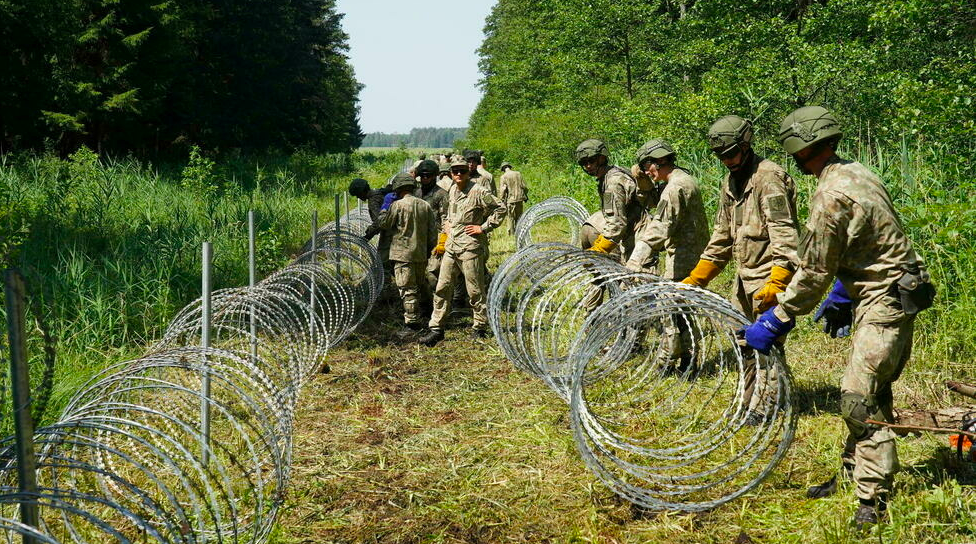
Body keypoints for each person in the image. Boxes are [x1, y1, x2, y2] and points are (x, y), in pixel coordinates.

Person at [741, 106, 935, 528]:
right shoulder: (857, 172)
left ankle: (873, 499)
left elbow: (814, 270)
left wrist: (778, 318)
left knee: (857, 396)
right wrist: (846, 292)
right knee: (872, 388)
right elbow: (877, 237)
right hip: (892, 288)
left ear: (798, 148)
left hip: (885, 298)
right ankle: (855, 471)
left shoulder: (830, 195)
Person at [680, 116, 800, 422]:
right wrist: (698, 277)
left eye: (731, 154)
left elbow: (785, 237)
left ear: (746, 146)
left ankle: (769, 405)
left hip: (769, 276)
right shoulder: (731, 182)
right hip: (743, 278)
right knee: (743, 343)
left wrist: (779, 281)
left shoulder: (768, 178)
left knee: (765, 344)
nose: (727, 161)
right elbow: (723, 234)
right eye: (720, 157)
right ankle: (750, 400)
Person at [625, 139, 709, 369]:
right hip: (690, 252)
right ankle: (688, 359)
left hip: (683, 255)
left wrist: (634, 260)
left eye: (646, 166)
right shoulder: (683, 180)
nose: (645, 171)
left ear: (660, 161)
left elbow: (659, 227)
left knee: (670, 309)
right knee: (681, 309)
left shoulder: (674, 188)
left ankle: (668, 360)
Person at [419, 159, 506, 346]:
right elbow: (449, 214)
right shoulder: (452, 189)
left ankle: (479, 326)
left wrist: (483, 227)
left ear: (468, 172)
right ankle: (436, 328)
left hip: (470, 246)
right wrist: (447, 226)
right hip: (452, 245)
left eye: (462, 171)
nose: (458, 175)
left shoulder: (478, 191)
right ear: (450, 173)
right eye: (455, 171)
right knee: (442, 287)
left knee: (474, 289)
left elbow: (501, 208)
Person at [575, 138, 645, 311]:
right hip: (624, 233)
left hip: (634, 236)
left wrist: (600, 249)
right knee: (616, 278)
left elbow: (617, 224)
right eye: (584, 163)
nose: (588, 166)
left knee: (633, 283)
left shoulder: (612, 182)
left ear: (601, 158)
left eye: (591, 161)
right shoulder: (610, 176)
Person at [375, 173, 438, 331]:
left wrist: (383, 210)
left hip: (403, 255)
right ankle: (429, 312)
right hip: (421, 253)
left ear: (397, 188)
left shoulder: (397, 205)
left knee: (407, 289)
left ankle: (412, 323)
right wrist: (430, 251)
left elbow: (384, 224)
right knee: (420, 284)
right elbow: (433, 233)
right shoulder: (425, 205)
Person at [414, 160, 449, 311]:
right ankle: (426, 306)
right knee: (418, 276)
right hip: (418, 240)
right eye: (422, 175)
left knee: (433, 274)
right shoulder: (416, 193)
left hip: (436, 240)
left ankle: (439, 307)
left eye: (428, 176)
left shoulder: (441, 194)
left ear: (435, 176)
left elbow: (446, 219)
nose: (425, 178)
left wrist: (442, 241)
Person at [349, 178, 394, 270]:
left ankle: (387, 282)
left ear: (362, 192)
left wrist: (368, 235)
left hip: (390, 232)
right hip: (394, 228)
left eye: (358, 195)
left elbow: (379, 222)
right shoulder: (380, 193)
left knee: (382, 261)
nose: (358, 198)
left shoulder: (373, 200)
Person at [498, 162, 528, 236]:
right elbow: (524, 187)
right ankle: (520, 233)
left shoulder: (503, 177)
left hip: (510, 200)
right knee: (519, 217)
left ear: (503, 169)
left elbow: (503, 190)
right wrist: (525, 196)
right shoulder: (518, 174)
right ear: (509, 167)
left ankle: (511, 234)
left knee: (510, 218)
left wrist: (501, 201)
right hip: (520, 199)